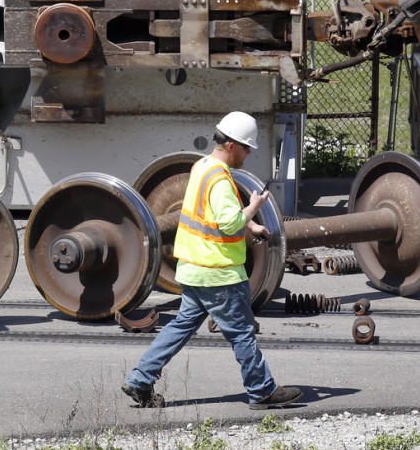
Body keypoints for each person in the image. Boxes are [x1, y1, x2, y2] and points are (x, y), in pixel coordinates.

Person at [122, 111, 303, 410]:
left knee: (180, 327)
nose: (248, 153)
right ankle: (262, 391)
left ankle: (140, 379)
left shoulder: (202, 167)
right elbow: (229, 223)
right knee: (243, 334)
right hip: (219, 274)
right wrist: (254, 207)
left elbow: (214, 216)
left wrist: (252, 225)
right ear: (232, 145)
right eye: (247, 147)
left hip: (194, 269)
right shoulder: (220, 179)